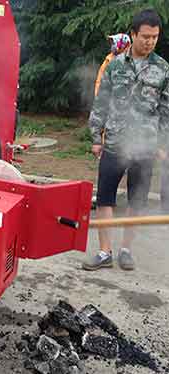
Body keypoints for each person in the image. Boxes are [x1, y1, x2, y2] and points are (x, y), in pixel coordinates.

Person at [83, 9, 169, 271]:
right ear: (133, 34)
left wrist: (162, 144)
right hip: (115, 142)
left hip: (145, 146)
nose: (150, 42)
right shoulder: (115, 65)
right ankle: (104, 252)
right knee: (106, 197)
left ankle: (126, 249)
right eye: (145, 36)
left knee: (137, 201)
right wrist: (96, 137)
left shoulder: (163, 69)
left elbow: (166, 110)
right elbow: (101, 103)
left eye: (155, 37)